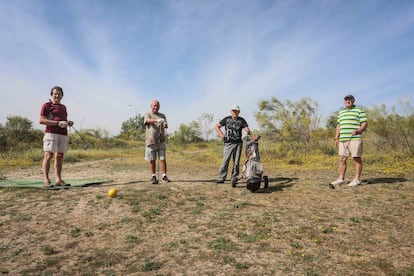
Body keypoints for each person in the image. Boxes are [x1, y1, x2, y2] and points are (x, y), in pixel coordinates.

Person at [39, 86, 74, 188]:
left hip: (62, 134)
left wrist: (68, 123)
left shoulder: (63, 107)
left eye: (59, 94)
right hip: (51, 133)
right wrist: (58, 123)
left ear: (62, 95)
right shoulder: (47, 105)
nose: (57, 95)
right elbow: (42, 120)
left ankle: (58, 180)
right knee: (48, 155)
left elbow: (63, 121)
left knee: (59, 156)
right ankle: (46, 180)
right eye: (55, 93)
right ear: (51, 94)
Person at [330, 95, 368, 187]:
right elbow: (338, 126)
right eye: (346, 99)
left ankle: (357, 179)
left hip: (354, 138)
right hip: (343, 139)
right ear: (344, 101)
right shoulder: (341, 112)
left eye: (350, 99)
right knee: (342, 159)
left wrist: (358, 131)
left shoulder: (359, 110)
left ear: (353, 101)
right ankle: (341, 178)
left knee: (356, 158)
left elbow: (364, 123)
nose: (348, 101)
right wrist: (336, 138)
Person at [215, 105, 251, 186]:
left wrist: (248, 131)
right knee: (225, 161)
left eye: (236, 111)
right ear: (231, 111)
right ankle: (221, 178)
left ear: (239, 112)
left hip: (238, 143)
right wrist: (221, 134)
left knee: (236, 162)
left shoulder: (242, 120)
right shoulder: (226, 119)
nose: (235, 112)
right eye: (233, 111)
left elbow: (246, 128)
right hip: (228, 143)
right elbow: (217, 126)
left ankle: (234, 178)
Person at [144, 100, 170, 184]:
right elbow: (147, 120)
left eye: (157, 106)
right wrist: (156, 120)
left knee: (162, 158)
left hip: (161, 140)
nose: (156, 107)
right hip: (151, 140)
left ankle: (164, 176)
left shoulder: (162, 115)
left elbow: (166, 125)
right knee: (152, 159)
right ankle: (153, 176)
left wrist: (163, 124)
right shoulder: (147, 114)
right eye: (154, 105)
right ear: (151, 106)